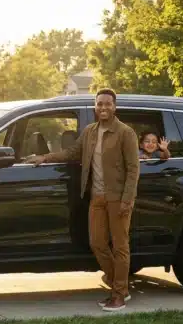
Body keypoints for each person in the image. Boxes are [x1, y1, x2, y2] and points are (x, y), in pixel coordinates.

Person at [26, 88, 140, 311]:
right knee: (96, 243)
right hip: (96, 197)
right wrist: (44, 157)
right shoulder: (90, 132)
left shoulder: (125, 133)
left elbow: (134, 169)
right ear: (95, 107)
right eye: (99, 104)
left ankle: (119, 293)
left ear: (114, 106)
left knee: (120, 246)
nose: (103, 108)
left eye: (107, 104)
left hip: (118, 198)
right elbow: (71, 153)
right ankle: (117, 280)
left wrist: (127, 200)